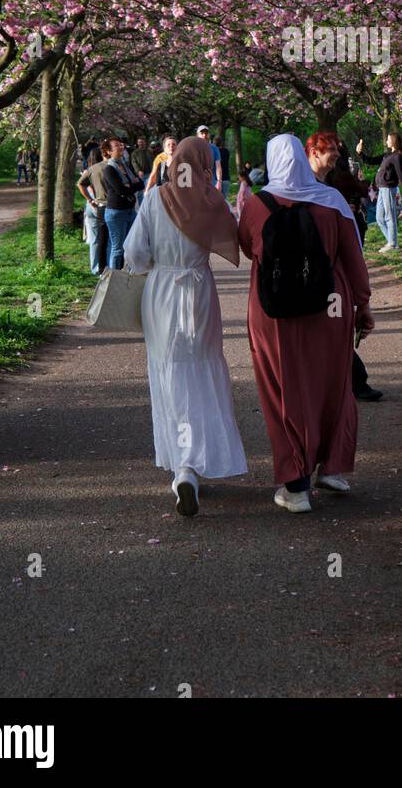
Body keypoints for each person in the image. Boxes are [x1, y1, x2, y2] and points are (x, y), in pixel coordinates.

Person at [239, 133, 374, 513]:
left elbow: (247, 246)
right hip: (330, 305)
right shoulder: (330, 201)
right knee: (333, 383)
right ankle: (332, 467)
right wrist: (362, 306)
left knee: (282, 389)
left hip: (273, 310)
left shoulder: (258, 203)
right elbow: (353, 258)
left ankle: (295, 486)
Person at [123, 137, 247, 517]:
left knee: (170, 373)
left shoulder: (156, 199)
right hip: (199, 293)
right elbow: (235, 237)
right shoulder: (210, 201)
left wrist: (155, 266)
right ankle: (196, 463)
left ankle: (182, 468)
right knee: (201, 370)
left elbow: (134, 255)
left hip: (161, 293)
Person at [305, 133, 383, 403]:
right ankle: (348, 381)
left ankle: (351, 380)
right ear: (314, 152)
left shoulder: (332, 180)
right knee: (327, 329)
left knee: (334, 327)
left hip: (335, 267)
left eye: (338, 151)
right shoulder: (307, 185)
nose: (337, 155)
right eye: (331, 151)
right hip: (316, 271)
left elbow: (361, 192)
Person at [357, 131, 402, 253]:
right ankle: (392, 243)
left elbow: (401, 176)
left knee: (389, 216)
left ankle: (393, 244)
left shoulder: (397, 156)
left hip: (389, 189)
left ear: (393, 141)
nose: (386, 141)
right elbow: (370, 161)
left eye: (388, 139)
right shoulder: (387, 155)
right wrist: (360, 153)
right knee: (379, 218)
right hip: (381, 189)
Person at [101, 136, 144, 269]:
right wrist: (133, 185)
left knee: (132, 245)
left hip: (130, 210)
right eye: (116, 146)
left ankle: (130, 277)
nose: (121, 147)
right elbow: (121, 190)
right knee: (118, 249)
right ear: (108, 151)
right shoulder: (109, 169)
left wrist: (131, 186)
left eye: (121, 144)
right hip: (116, 213)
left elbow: (140, 183)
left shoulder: (124, 165)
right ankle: (114, 280)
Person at [77, 148, 109, 275]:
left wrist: (89, 200)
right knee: (105, 238)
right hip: (100, 204)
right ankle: (105, 265)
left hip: (90, 205)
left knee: (95, 239)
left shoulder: (88, 170)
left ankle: (95, 267)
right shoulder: (103, 169)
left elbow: (80, 185)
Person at [196, 125, 222, 192]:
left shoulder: (214, 148)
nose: (204, 135)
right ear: (197, 135)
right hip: (196, 184)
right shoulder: (193, 148)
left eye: (206, 133)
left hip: (211, 184)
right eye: (202, 133)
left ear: (209, 135)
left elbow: (218, 166)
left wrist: (219, 181)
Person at [131, 137, 153, 207]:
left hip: (150, 173)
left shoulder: (149, 151)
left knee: (150, 189)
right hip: (141, 175)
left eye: (142, 142)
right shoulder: (135, 153)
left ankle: (149, 204)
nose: (141, 143)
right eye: (140, 142)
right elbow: (134, 163)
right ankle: (141, 206)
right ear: (137, 143)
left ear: (145, 142)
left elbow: (154, 160)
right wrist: (138, 171)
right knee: (141, 191)